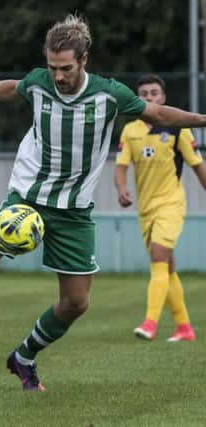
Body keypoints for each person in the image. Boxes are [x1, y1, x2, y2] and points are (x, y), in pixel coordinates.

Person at [0, 14, 206, 391]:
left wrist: (202, 119)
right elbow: (12, 86)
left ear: (84, 60)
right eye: (52, 67)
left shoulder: (109, 94)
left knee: (76, 303)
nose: (58, 76)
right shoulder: (40, 83)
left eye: (65, 68)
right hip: (27, 197)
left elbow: (159, 114)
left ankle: (23, 357)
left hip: (75, 209)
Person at [115, 74, 206, 342]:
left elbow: (198, 166)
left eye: (154, 93)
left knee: (158, 255)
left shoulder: (179, 129)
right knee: (166, 266)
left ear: (163, 98)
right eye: (143, 93)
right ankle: (184, 328)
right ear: (136, 99)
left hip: (171, 204)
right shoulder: (130, 131)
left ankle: (150, 322)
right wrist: (121, 189)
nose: (149, 97)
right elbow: (120, 168)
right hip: (145, 209)